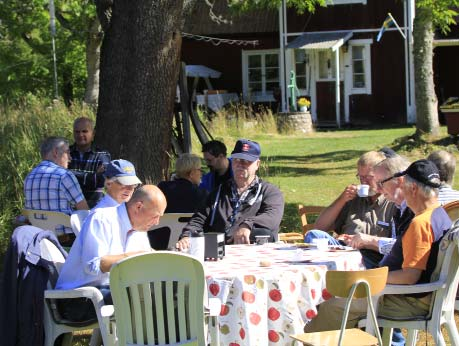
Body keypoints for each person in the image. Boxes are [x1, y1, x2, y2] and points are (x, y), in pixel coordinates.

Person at [304, 160, 452, 337]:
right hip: (424, 297)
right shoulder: (440, 214)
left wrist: (365, 278)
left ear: (413, 189)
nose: (401, 191)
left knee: (331, 306)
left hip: (408, 300)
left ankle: (304, 340)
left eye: (404, 186)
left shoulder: (420, 223)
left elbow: (410, 276)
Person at [56, 185, 167, 293]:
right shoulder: (102, 219)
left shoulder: (140, 229)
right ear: (138, 207)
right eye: (155, 216)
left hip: (114, 289)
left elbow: (144, 260)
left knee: (167, 294)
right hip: (80, 294)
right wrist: (137, 257)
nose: (157, 222)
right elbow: (93, 265)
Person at [176, 139, 284, 249]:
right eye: (236, 160)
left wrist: (247, 225)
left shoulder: (270, 192)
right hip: (218, 252)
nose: (240, 164)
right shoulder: (219, 192)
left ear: (257, 164)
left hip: (254, 252)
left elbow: (272, 217)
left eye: (246, 161)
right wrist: (187, 236)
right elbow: (199, 219)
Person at [305, 151, 397, 268]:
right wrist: (342, 199)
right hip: (342, 249)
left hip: (370, 256)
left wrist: (364, 242)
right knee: (314, 235)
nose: (364, 182)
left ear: (381, 176)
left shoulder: (392, 202)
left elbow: (395, 246)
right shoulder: (354, 198)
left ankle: (328, 271)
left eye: (368, 177)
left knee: (324, 261)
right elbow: (320, 227)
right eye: (360, 177)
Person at [342, 155, 414, 258]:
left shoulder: (414, 209)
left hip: (390, 271)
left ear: (399, 181)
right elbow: (395, 250)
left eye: (381, 183)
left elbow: (405, 250)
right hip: (386, 268)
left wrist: (370, 241)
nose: (379, 189)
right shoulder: (400, 208)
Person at [24, 136, 89, 215]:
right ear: (55, 152)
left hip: (37, 227)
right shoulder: (64, 176)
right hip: (63, 227)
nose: (70, 158)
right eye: (67, 152)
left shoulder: (29, 177)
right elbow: (84, 210)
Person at [69, 117, 111, 208]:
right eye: (77, 132)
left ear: (93, 134)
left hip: (94, 207)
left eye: (84, 131)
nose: (80, 135)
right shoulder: (66, 153)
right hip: (70, 207)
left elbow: (102, 180)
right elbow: (59, 179)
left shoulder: (102, 154)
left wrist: (69, 174)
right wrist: (93, 176)